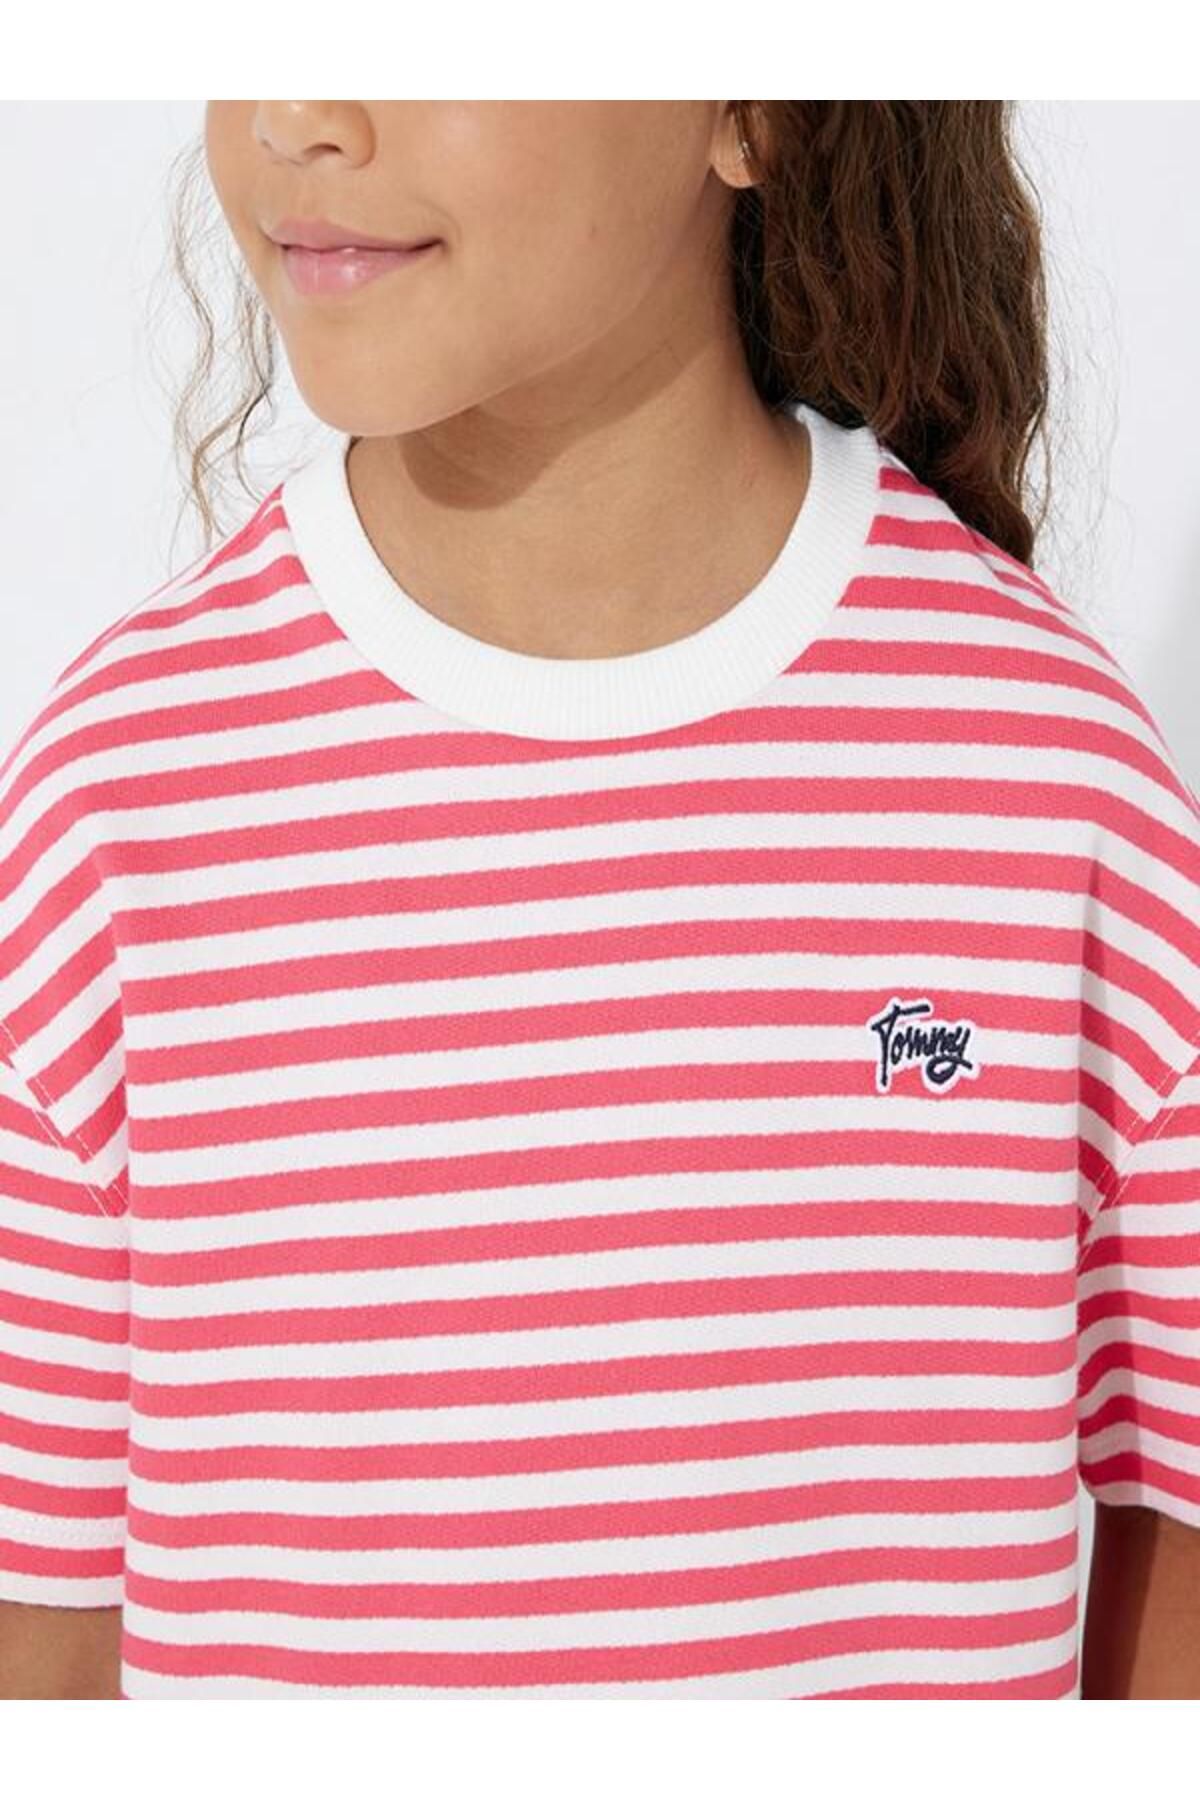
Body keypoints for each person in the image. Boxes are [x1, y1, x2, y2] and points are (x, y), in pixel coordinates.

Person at [0, 100, 1197, 1702]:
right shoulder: (118, 805)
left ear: (753, 111)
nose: (298, 113)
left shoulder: (1048, 778)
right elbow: (46, 1622)